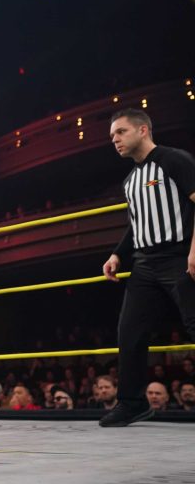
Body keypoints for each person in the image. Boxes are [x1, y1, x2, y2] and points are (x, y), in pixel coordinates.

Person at [100, 108, 195, 427]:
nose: (114, 139)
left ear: (143, 130)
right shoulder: (130, 180)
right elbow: (138, 224)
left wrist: (194, 250)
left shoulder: (174, 160)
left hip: (179, 254)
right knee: (129, 331)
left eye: (121, 132)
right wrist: (117, 254)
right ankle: (132, 403)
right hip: (144, 264)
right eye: (112, 135)